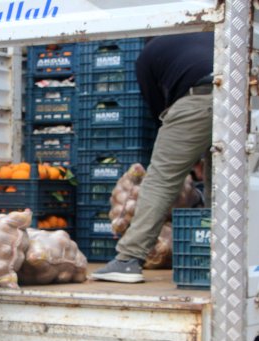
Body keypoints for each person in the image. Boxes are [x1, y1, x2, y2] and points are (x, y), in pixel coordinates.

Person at [92, 32, 214, 283]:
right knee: (222, 184)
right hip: (240, 97)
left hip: (196, 99)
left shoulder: (149, 53)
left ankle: (127, 260)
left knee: (160, 180)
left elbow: (158, 106)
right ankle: (217, 257)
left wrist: (182, 155)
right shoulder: (209, 34)